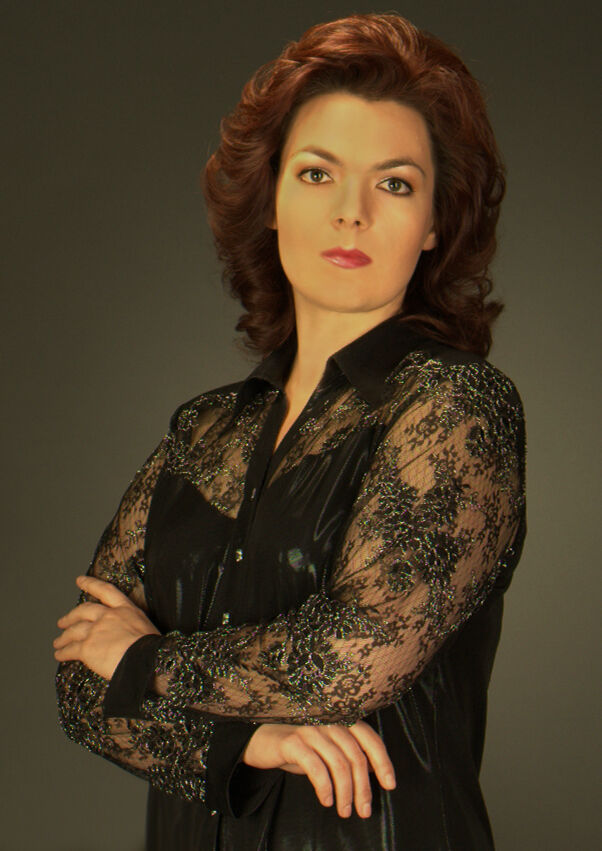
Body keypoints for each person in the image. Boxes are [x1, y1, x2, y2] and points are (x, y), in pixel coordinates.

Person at [54, 11, 527, 851]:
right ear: (271, 200)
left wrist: (147, 660)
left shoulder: (455, 406)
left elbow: (351, 655)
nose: (351, 212)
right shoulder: (204, 429)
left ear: (434, 223)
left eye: (394, 183)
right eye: (317, 173)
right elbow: (81, 690)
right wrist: (249, 744)